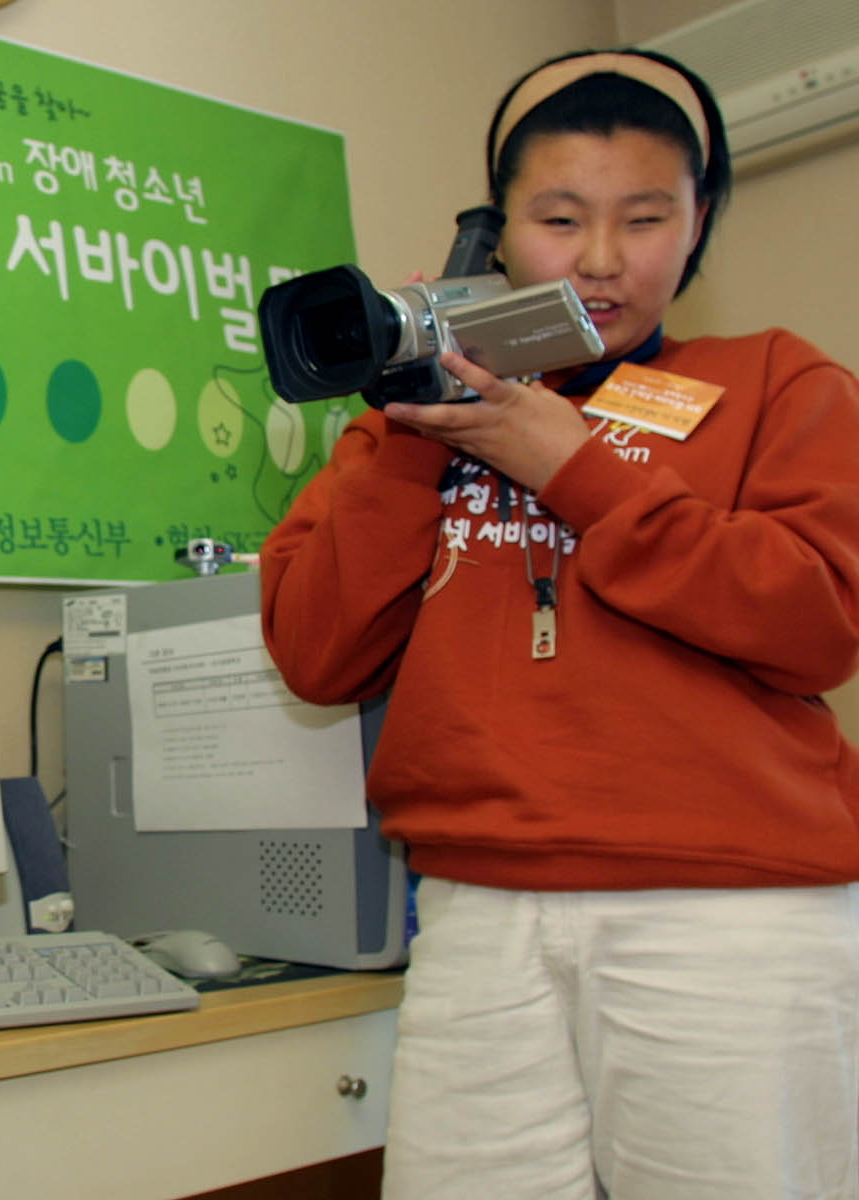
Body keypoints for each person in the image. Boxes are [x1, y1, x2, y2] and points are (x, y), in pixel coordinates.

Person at [260, 49, 859, 1198]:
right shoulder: (413, 420)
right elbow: (317, 653)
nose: (598, 260)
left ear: (699, 226)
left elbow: (820, 620)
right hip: (480, 912)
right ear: (495, 234)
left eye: (645, 219)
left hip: (731, 915)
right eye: (557, 217)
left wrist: (579, 470)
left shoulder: (774, 379)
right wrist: (406, 427)